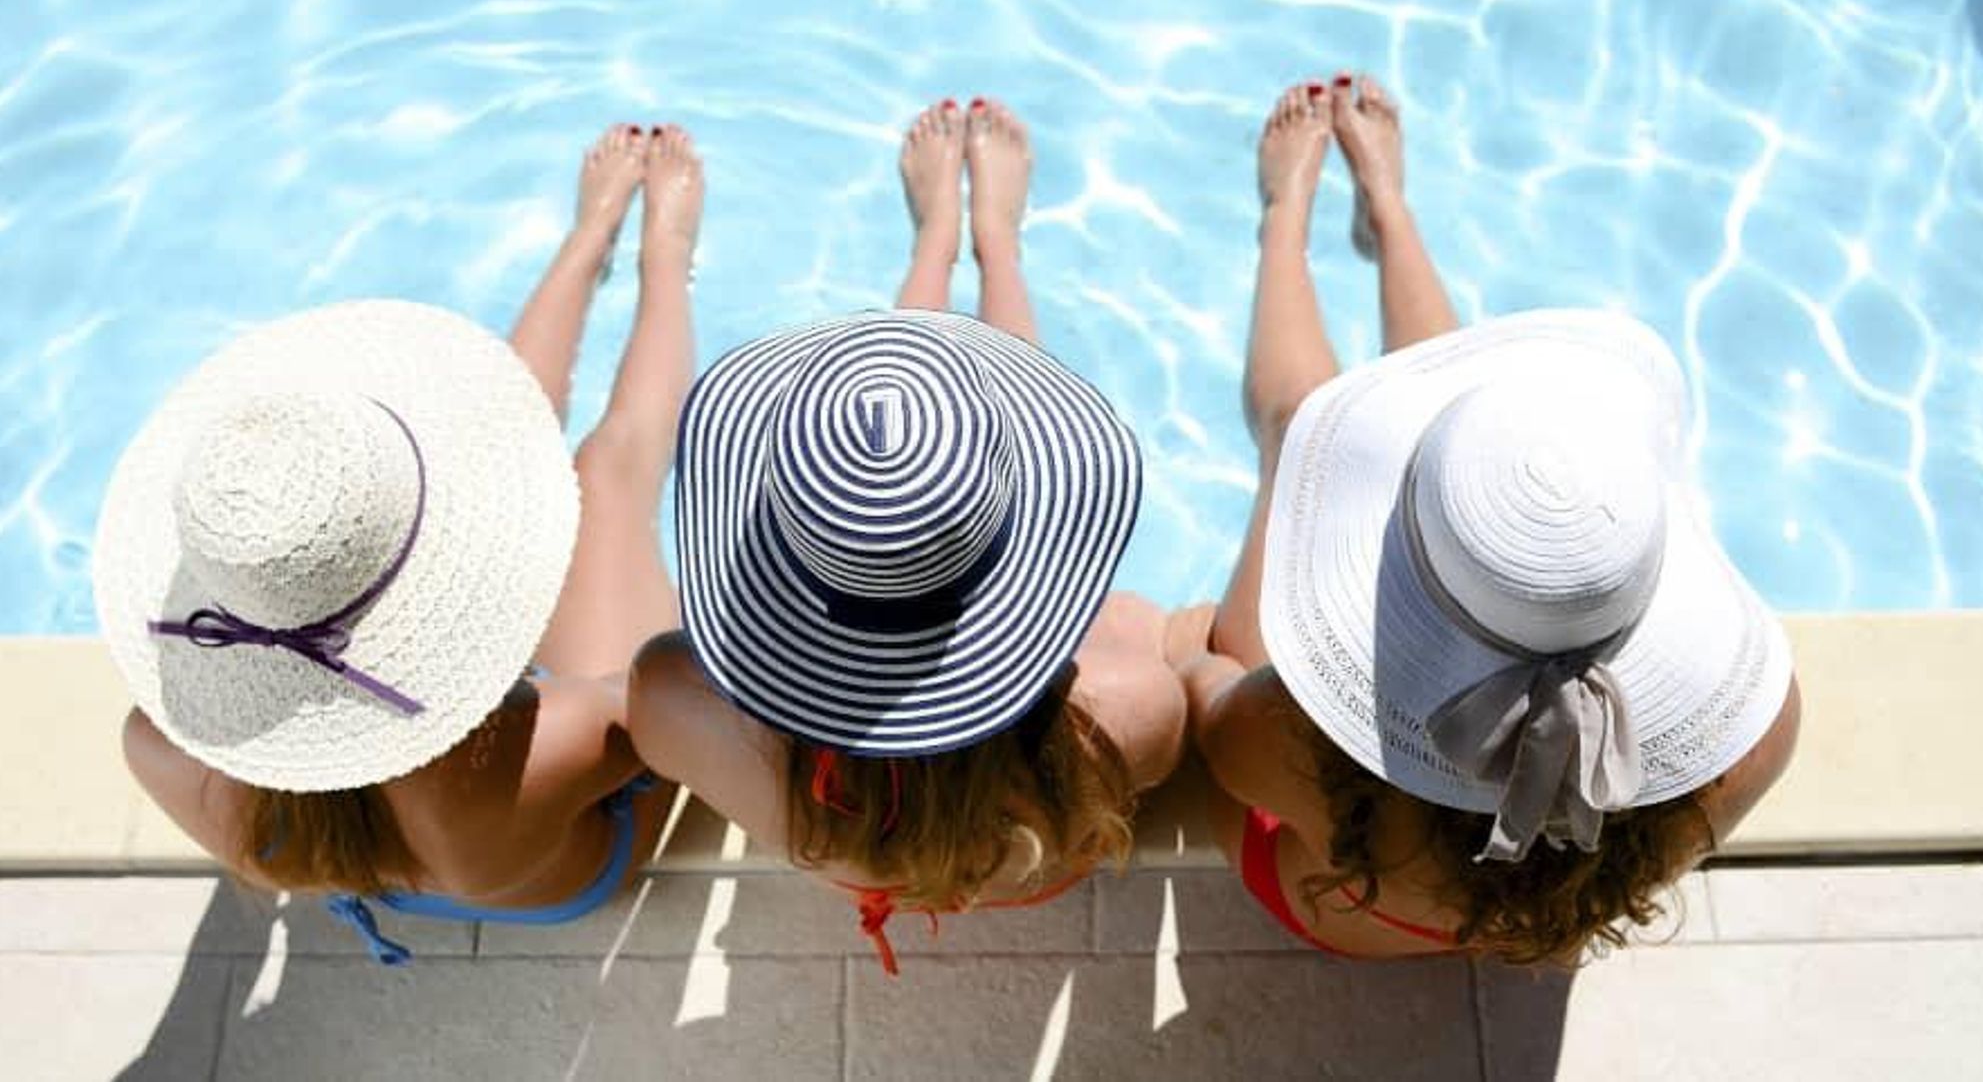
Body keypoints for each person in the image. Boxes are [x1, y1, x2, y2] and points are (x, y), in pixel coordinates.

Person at [1169, 77, 1802, 963]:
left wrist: (1189, 650)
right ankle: (1387, 208)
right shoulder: (1760, 737)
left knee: (1294, 433)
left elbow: (1209, 718)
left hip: (1346, 896)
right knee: (1484, 441)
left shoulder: (1286, 727)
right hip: (1515, 920)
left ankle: (1288, 213)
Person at [102, 124, 704, 963]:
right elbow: (668, 704)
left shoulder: (160, 746)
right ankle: (662, 259)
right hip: (556, 861)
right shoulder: (517, 749)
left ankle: (585, 240)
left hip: (419, 844)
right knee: (606, 473)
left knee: (502, 435)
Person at [629, 98, 1185, 974]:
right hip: (1029, 863)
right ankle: (991, 244)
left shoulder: (675, 701)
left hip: (853, 853)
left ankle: (935, 246)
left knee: (898, 451)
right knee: (1113, 597)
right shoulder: (1128, 712)